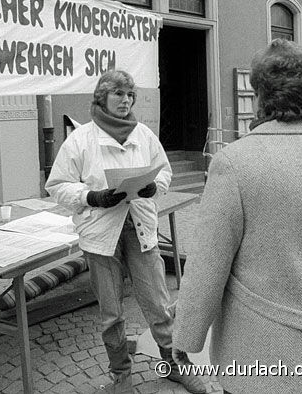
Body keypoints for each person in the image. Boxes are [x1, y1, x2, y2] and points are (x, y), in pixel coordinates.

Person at [173, 39, 302, 394]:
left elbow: (208, 262)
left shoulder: (234, 162)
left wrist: (186, 337)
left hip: (259, 354)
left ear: (260, 95)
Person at [45, 70, 205, 394]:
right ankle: (121, 374)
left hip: (140, 228)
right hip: (100, 235)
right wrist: (91, 196)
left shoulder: (143, 135)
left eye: (130, 95)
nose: (126, 100)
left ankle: (174, 365)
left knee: (158, 304)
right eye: (118, 94)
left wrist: (152, 187)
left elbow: (165, 172)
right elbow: (57, 185)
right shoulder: (80, 139)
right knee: (111, 314)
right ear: (101, 97)